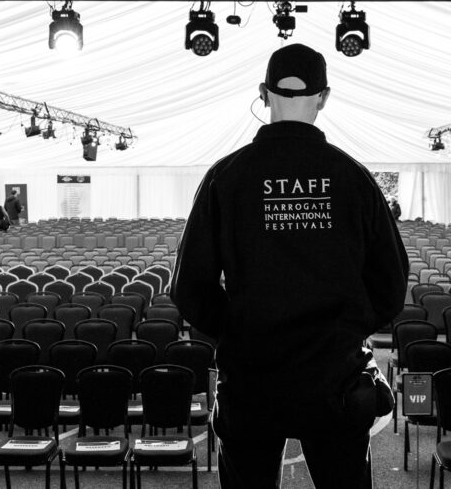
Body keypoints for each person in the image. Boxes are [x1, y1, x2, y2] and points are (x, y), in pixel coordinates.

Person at [171, 43, 409, 489]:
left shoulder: (228, 175)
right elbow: (391, 286)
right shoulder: (353, 177)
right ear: (324, 97)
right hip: (335, 381)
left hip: (252, 381)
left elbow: (189, 288)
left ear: (264, 94)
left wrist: (240, 328)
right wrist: (342, 331)